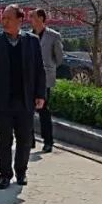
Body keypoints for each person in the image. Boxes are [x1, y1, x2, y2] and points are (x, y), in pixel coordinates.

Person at [0, 5, 47, 188]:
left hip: (25, 99)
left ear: (20, 20)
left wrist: (40, 94)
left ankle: (21, 172)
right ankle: (4, 174)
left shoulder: (32, 41)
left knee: (24, 139)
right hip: (2, 100)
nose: (5, 21)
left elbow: (39, 70)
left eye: (9, 18)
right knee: (4, 139)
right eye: (3, 18)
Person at [29, 8, 64, 154]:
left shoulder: (53, 36)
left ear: (42, 18)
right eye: (31, 17)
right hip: (29, 78)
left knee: (43, 110)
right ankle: (29, 139)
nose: (31, 20)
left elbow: (59, 58)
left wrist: (49, 66)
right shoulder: (28, 36)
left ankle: (48, 141)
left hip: (45, 78)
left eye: (34, 17)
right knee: (27, 110)